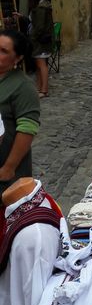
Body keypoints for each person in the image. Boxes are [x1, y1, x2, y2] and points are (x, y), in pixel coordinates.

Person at [0, 30, 40, 192]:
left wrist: (9, 168)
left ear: (17, 58)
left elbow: (27, 129)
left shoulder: (23, 87)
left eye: (3, 51)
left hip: (6, 172)